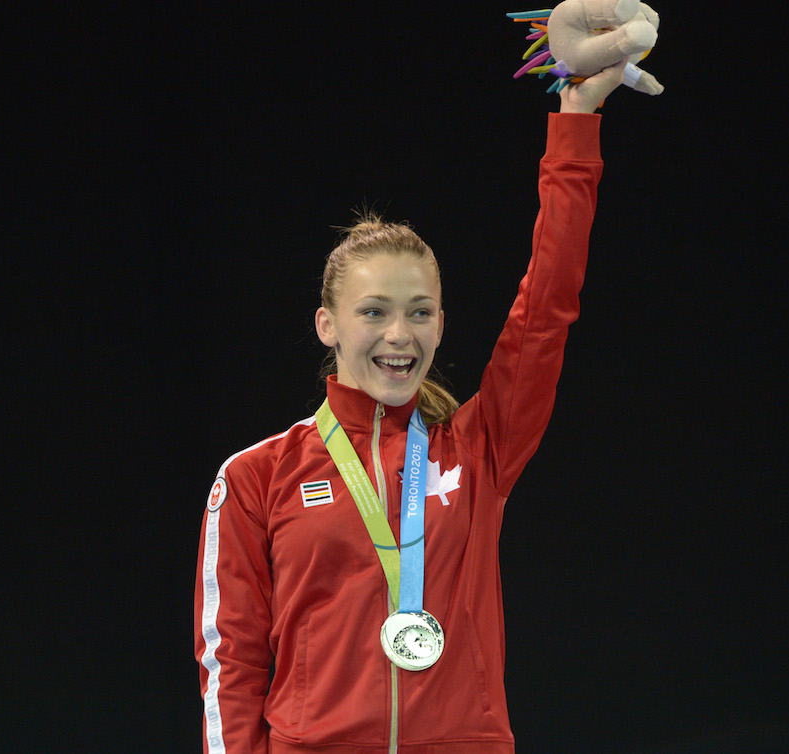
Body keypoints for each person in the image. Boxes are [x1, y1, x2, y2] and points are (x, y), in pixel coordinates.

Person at [195, 59, 629, 753]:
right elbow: (232, 666)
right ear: (327, 325)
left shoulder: (478, 448)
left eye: (420, 312)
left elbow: (547, 306)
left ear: (442, 324)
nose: (400, 334)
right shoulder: (256, 477)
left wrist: (575, 120)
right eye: (374, 311)